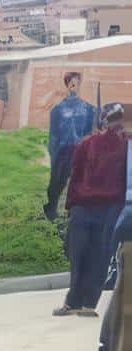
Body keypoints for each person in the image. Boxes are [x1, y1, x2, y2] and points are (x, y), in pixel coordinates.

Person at [57, 103, 127, 317]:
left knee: (100, 253)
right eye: (111, 118)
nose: (113, 123)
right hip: (83, 205)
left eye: (117, 118)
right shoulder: (85, 145)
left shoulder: (126, 145)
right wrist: (71, 207)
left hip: (110, 206)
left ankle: (89, 304)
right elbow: (75, 176)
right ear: (103, 119)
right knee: (78, 254)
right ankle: (73, 302)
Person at [45, 72, 97, 221]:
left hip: (79, 151)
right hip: (63, 151)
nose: (75, 86)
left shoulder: (88, 109)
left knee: (78, 182)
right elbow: (53, 135)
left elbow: (90, 132)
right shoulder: (58, 109)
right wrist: (53, 154)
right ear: (67, 85)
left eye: (77, 83)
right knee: (57, 182)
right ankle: (51, 211)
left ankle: (73, 213)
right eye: (72, 83)